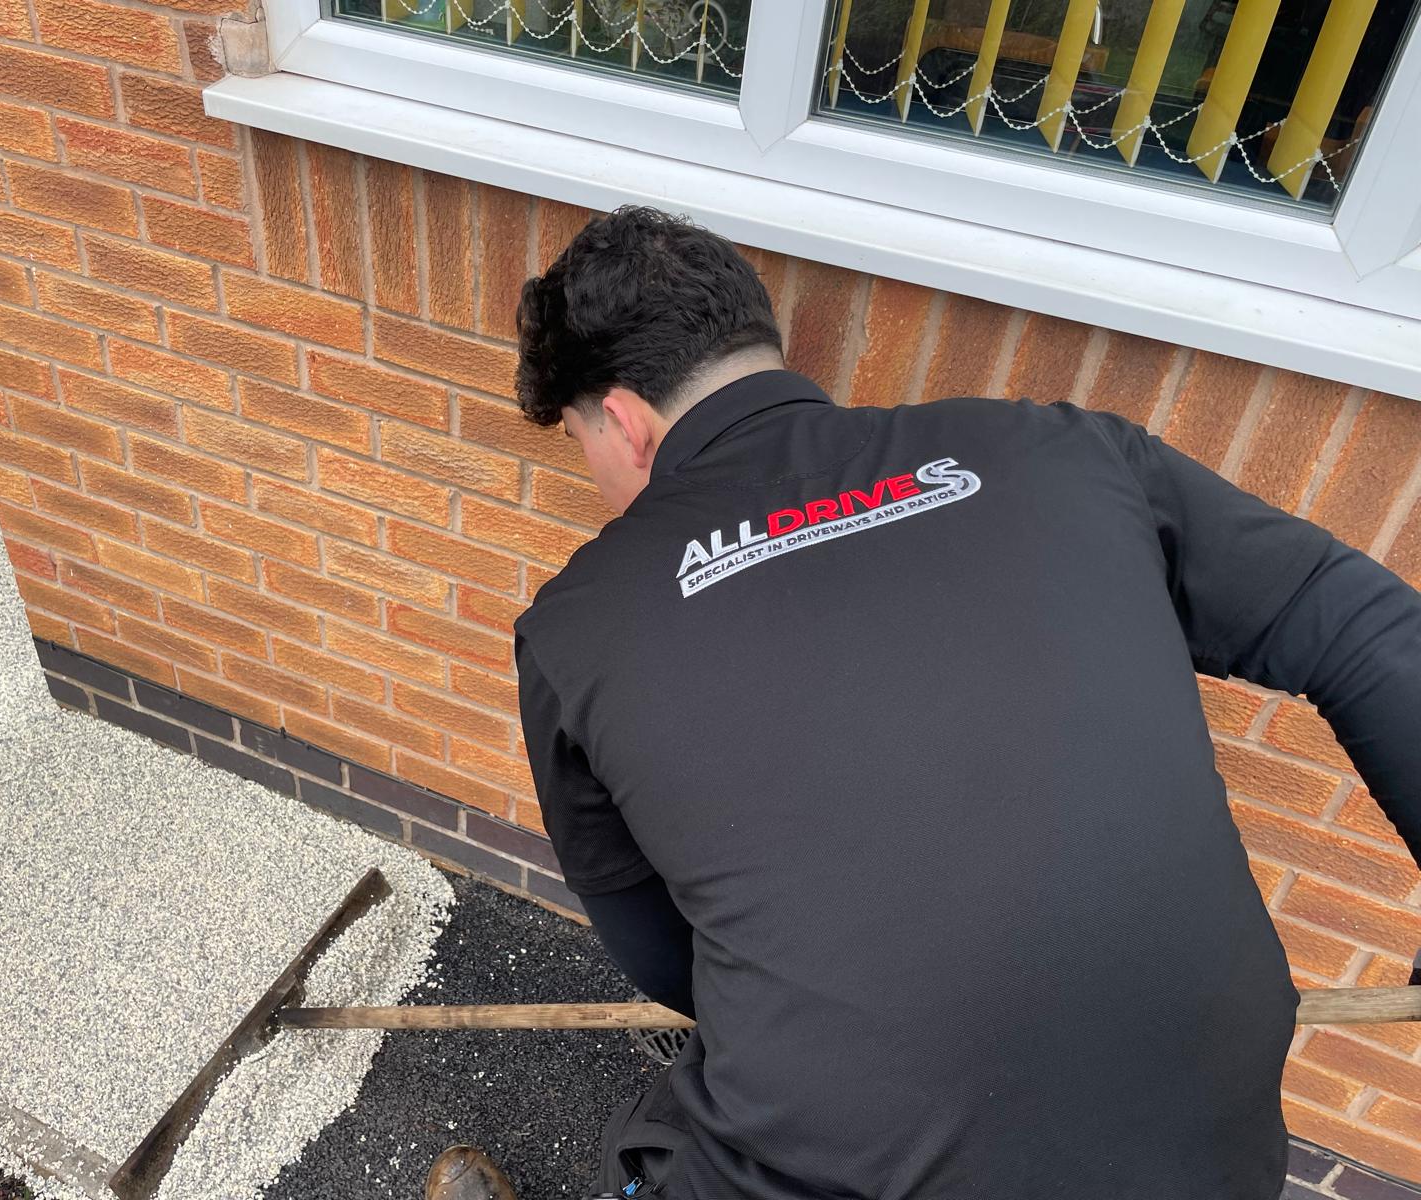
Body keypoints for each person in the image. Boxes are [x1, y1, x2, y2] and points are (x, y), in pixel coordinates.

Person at [423, 205, 1421, 1200]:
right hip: (1215, 1148)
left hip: (850, 1173)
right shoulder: (1065, 455)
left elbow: (664, 959)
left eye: (580, 442)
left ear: (626, 423)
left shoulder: (580, 626)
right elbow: (1364, 630)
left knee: (665, 1138)